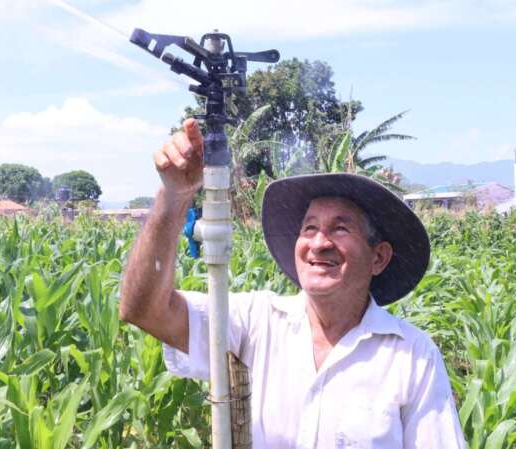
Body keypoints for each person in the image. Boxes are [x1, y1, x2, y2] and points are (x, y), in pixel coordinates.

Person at [119, 118, 466, 449]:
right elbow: (145, 310)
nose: (319, 243)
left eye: (340, 228)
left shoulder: (412, 356)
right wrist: (173, 196)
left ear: (379, 257)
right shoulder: (256, 321)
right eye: (309, 227)